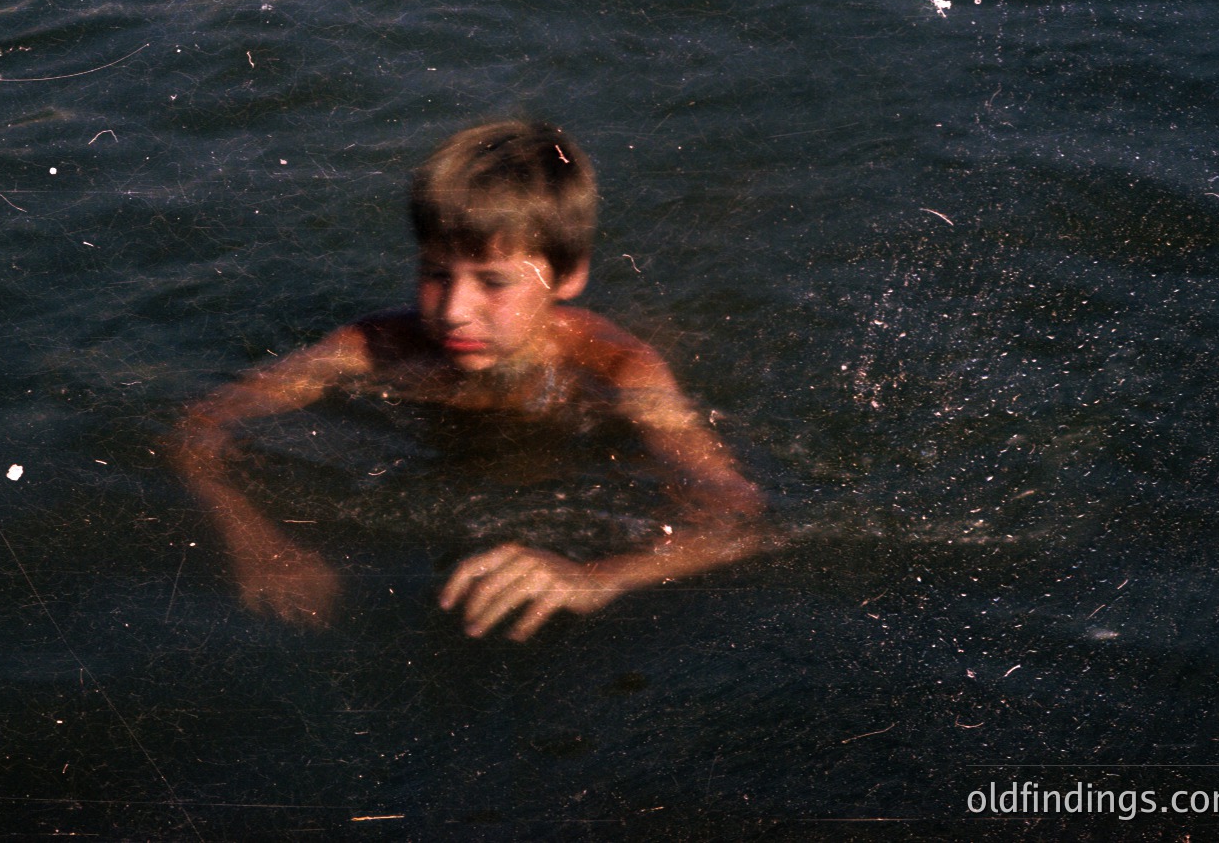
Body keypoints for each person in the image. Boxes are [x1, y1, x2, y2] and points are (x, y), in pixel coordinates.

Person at [171, 120, 770, 642]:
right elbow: (199, 424)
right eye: (435, 273)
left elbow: (741, 518)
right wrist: (253, 538)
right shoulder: (376, 346)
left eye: (493, 281)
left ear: (567, 276)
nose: (454, 310)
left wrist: (597, 576)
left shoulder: (616, 370)